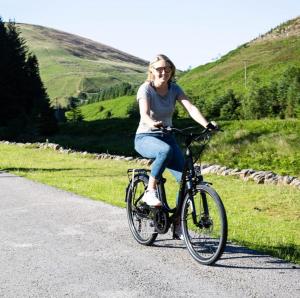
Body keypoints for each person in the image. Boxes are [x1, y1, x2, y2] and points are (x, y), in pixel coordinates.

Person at [134, 54, 216, 236]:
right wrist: (152, 123)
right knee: (165, 150)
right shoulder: (145, 89)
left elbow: (191, 108)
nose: (164, 72)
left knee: (188, 181)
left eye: (167, 69)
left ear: (171, 71)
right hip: (145, 137)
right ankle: (150, 191)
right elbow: (144, 114)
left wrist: (206, 124)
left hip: (167, 136)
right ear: (152, 71)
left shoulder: (174, 88)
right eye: (159, 69)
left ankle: (178, 220)